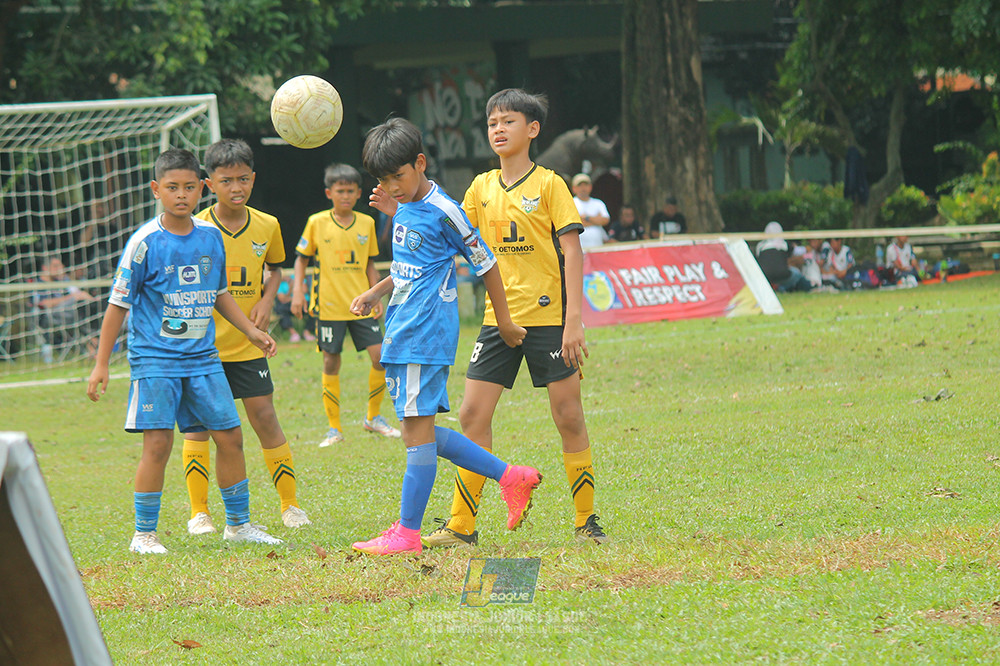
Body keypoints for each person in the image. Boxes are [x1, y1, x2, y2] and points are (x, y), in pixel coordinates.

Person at [422, 88, 608, 549]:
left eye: (508, 121)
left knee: (568, 415)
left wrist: (573, 321)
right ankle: (462, 525)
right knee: (471, 414)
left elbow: (572, 251)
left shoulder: (550, 184)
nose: (499, 129)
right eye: (492, 123)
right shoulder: (480, 188)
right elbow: (450, 239)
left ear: (532, 129)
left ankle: (586, 520)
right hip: (498, 320)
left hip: (549, 321)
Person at [348, 117, 542, 555]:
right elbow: (412, 268)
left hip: (424, 334)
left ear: (420, 163)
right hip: (402, 330)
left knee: (416, 434)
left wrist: (505, 321)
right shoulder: (403, 207)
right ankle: (512, 476)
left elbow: (486, 262)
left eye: (398, 176)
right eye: (383, 179)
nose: (391, 187)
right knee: (418, 431)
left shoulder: (445, 210)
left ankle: (407, 534)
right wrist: (377, 291)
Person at [86, 148, 283, 554]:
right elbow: (117, 305)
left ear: (201, 189)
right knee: (158, 445)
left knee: (230, 437)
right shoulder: (144, 243)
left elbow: (219, 293)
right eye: (172, 187)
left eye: (189, 187)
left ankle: (239, 524)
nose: (181, 195)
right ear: (156, 189)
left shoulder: (209, 237)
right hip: (156, 361)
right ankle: (144, 534)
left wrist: (250, 330)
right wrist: (101, 364)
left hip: (203, 359)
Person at [180, 138, 311, 534]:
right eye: (226, 181)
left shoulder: (267, 225)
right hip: (202, 348)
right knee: (199, 427)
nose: (236, 188)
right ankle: (199, 512)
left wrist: (268, 301)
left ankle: (290, 505)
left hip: (248, 345)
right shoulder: (196, 228)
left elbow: (275, 268)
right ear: (209, 184)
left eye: (243, 179)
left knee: (265, 417)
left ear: (253, 178)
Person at [291, 163, 401, 447]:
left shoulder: (366, 223)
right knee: (331, 361)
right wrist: (297, 292)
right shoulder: (317, 222)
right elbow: (301, 259)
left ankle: (373, 417)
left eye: (350, 191)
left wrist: (376, 296)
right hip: (328, 306)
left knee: (380, 357)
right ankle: (334, 428)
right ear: (329, 193)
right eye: (340, 191)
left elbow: (369, 264)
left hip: (361, 305)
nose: (345, 196)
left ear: (358, 193)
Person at [33, 256, 99, 354]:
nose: (60, 268)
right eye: (56, 266)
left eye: (61, 266)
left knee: (84, 304)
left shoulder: (60, 282)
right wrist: (71, 297)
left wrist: (66, 280)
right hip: (48, 318)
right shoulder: (39, 284)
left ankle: (93, 344)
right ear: (45, 268)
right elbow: (45, 303)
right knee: (80, 301)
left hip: (70, 316)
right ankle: (94, 342)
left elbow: (75, 292)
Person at [754, 221, 812, 293]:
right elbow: (798, 251)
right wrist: (807, 248)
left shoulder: (760, 246)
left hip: (765, 276)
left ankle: (775, 288)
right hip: (783, 275)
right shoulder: (784, 244)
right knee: (796, 273)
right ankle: (809, 287)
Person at [571, 172, 610, 249]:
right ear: (574, 188)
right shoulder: (570, 203)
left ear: (590, 187)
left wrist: (586, 218)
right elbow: (572, 224)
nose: (583, 188)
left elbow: (605, 220)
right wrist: (596, 221)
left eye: (586, 185)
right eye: (580, 185)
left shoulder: (598, 203)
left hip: (598, 247)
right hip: (580, 249)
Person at [273, 273, 316, 343]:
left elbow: (305, 290)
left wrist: (293, 295)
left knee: (313, 308)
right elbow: (282, 299)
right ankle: (294, 334)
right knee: (280, 309)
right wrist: (291, 288)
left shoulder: (298, 276)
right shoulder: (280, 283)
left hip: (303, 302)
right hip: (288, 305)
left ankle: (307, 332)